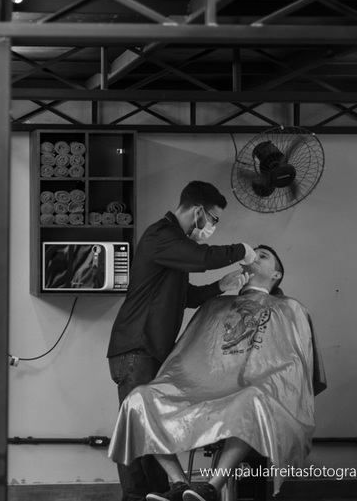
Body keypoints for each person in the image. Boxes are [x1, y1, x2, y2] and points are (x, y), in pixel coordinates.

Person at [109, 246, 326, 501]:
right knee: (138, 399)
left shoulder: (291, 309)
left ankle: (211, 487)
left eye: (263, 256)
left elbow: (294, 364)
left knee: (252, 398)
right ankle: (180, 485)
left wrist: (264, 379)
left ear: (276, 275)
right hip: (199, 388)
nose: (255, 257)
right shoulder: (213, 305)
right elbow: (183, 358)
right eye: (252, 254)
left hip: (254, 390)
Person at [106, 181, 257, 501]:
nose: (212, 227)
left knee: (153, 426)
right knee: (138, 428)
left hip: (151, 350)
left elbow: (183, 295)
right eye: (213, 220)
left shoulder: (173, 246)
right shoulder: (162, 235)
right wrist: (240, 250)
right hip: (136, 346)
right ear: (199, 211)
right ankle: (136, 496)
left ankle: (163, 493)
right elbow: (200, 257)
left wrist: (221, 285)